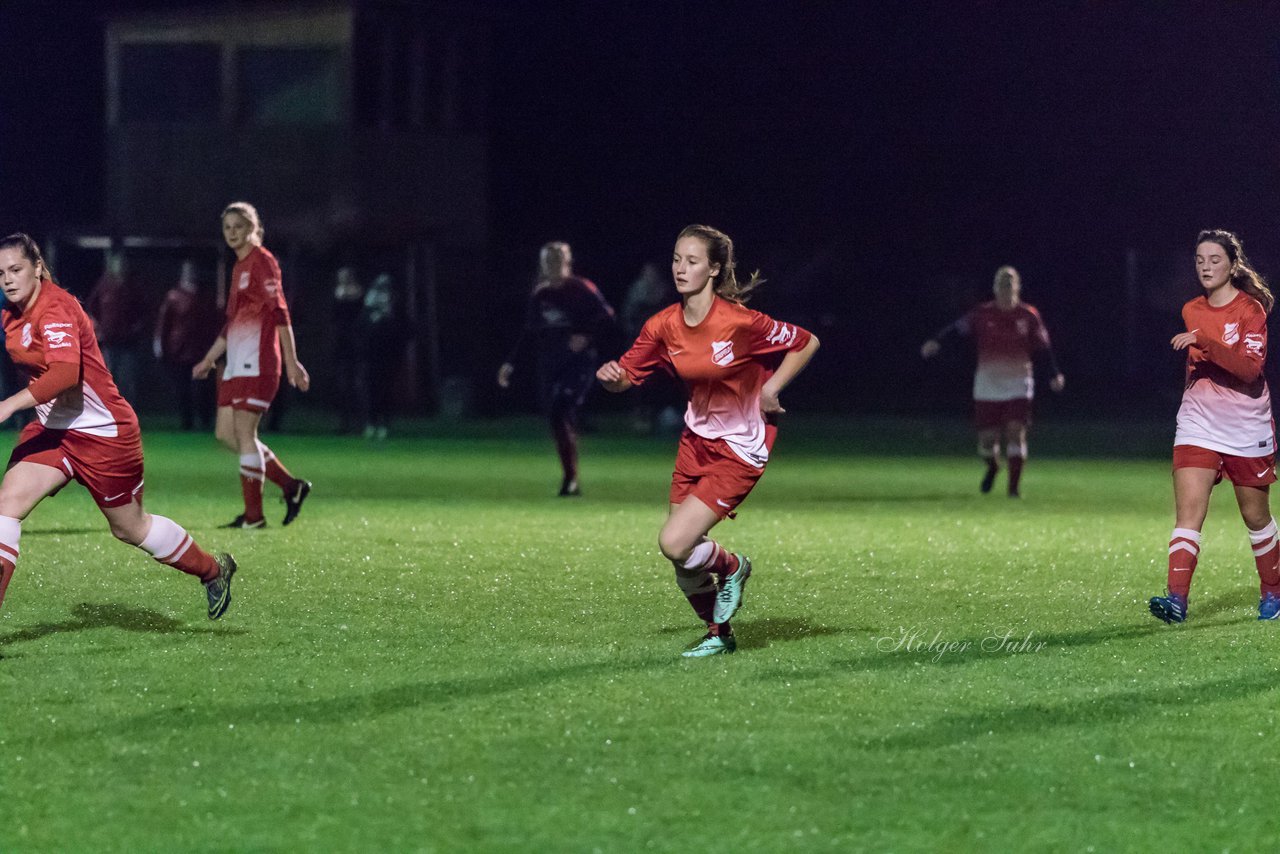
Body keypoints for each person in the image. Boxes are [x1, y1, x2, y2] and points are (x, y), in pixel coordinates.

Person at [596, 224, 820, 657]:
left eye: (692, 261)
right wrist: (612, 379)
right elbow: (626, 376)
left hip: (739, 449)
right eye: (677, 259)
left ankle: (734, 567)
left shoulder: (739, 322)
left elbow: (806, 342)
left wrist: (772, 390)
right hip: (695, 443)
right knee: (682, 557)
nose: (680, 269)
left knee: (674, 542)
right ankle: (720, 635)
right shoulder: (663, 325)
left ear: (714, 269)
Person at [0, 233, 236, 620]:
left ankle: (213, 570)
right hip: (54, 433)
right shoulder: (11, 313)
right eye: (0, 273)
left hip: (103, 436)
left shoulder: (55, 307)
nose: (8, 279)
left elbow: (63, 374)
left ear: (38, 268)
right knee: (6, 507)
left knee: (130, 528)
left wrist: (10, 404)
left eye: (16, 269)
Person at [1149, 230, 1280, 624]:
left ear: (1232, 264)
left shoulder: (1250, 310)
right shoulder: (1191, 308)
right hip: (1198, 422)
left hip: (1246, 425)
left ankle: (1273, 593)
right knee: (1188, 514)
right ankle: (1176, 601)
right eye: (1199, 260)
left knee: (1255, 516)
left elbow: (1249, 369)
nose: (1206, 266)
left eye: (1214, 260)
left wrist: (1205, 342)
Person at [192, 202, 312, 528]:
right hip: (235, 362)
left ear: (252, 228)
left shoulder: (263, 262)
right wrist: (209, 358)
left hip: (258, 361)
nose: (232, 233)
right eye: (227, 227)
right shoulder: (238, 267)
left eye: (238, 226)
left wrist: (291, 362)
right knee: (226, 434)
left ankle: (254, 518)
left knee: (245, 434)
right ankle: (290, 486)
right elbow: (233, 323)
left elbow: (280, 313)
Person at [920, 265, 1065, 497]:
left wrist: (1054, 373)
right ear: (995, 288)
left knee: (1016, 432)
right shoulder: (982, 314)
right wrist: (936, 341)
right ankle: (993, 465)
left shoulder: (1028, 315)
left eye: (1010, 283)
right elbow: (957, 329)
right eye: (1002, 283)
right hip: (988, 383)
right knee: (987, 441)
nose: (1006, 288)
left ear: (1017, 287)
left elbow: (1043, 348)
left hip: (1019, 381)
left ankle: (1013, 489)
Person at [498, 242, 616, 496]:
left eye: (556, 260)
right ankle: (570, 475)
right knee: (556, 416)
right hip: (551, 364)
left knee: (562, 407)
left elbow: (606, 316)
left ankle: (570, 478)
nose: (552, 265)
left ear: (566, 262)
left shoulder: (582, 289)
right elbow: (528, 333)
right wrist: (510, 363)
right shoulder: (541, 295)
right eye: (547, 261)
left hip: (578, 364)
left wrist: (585, 336)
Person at [154, 260, 220, 430]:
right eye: (188, 271)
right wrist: (160, 345)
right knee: (183, 389)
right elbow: (164, 323)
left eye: (193, 271)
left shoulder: (206, 295)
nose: (191, 275)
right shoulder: (174, 296)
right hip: (180, 351)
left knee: (203, 387)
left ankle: (206, 419)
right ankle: (187, 421)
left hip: (201, 350)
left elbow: (213, 322)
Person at [86, 249, 148, 406]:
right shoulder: (104, 285)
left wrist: (136, 327)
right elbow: (91, 307)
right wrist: (98, 327)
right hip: (109, 339)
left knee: (128, 378)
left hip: (128, 341)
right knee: (108, 375)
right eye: (117, 263)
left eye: (123, 263)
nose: (120, 266)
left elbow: (144, 311)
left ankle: (128, 410)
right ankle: (107, 409)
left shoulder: (133, 286)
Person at [357, 273, 401, 440]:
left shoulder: (394, 313)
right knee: (369, 393)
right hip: (368, 359)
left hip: (387, 359)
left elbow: (401, 334)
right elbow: (359, 332)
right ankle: (370, 423)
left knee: (385, 393)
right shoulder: (366, 312)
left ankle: (384, 424)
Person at [330, 266, 365, 435]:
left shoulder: (358, 294)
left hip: (355, 343)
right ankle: (344, 422)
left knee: (357, 383)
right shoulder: (338, 293)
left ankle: (359, 421)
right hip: (341, 343)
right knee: (342, 383)